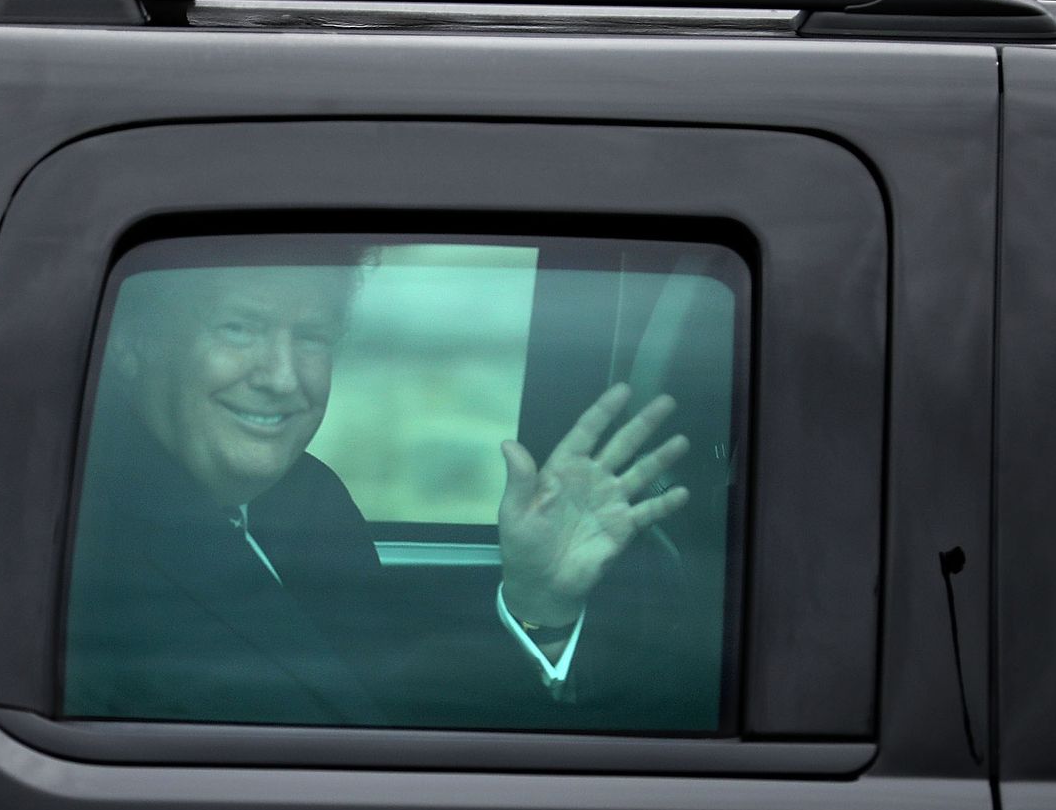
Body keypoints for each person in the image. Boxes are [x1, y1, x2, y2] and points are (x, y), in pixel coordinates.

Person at [62, 251, 698, 730]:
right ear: (130, 343)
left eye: (312, 337)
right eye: (239, 328)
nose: (283, 377)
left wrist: (539, 602)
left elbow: (393, 701)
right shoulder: (74, 538)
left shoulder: (307, 496)